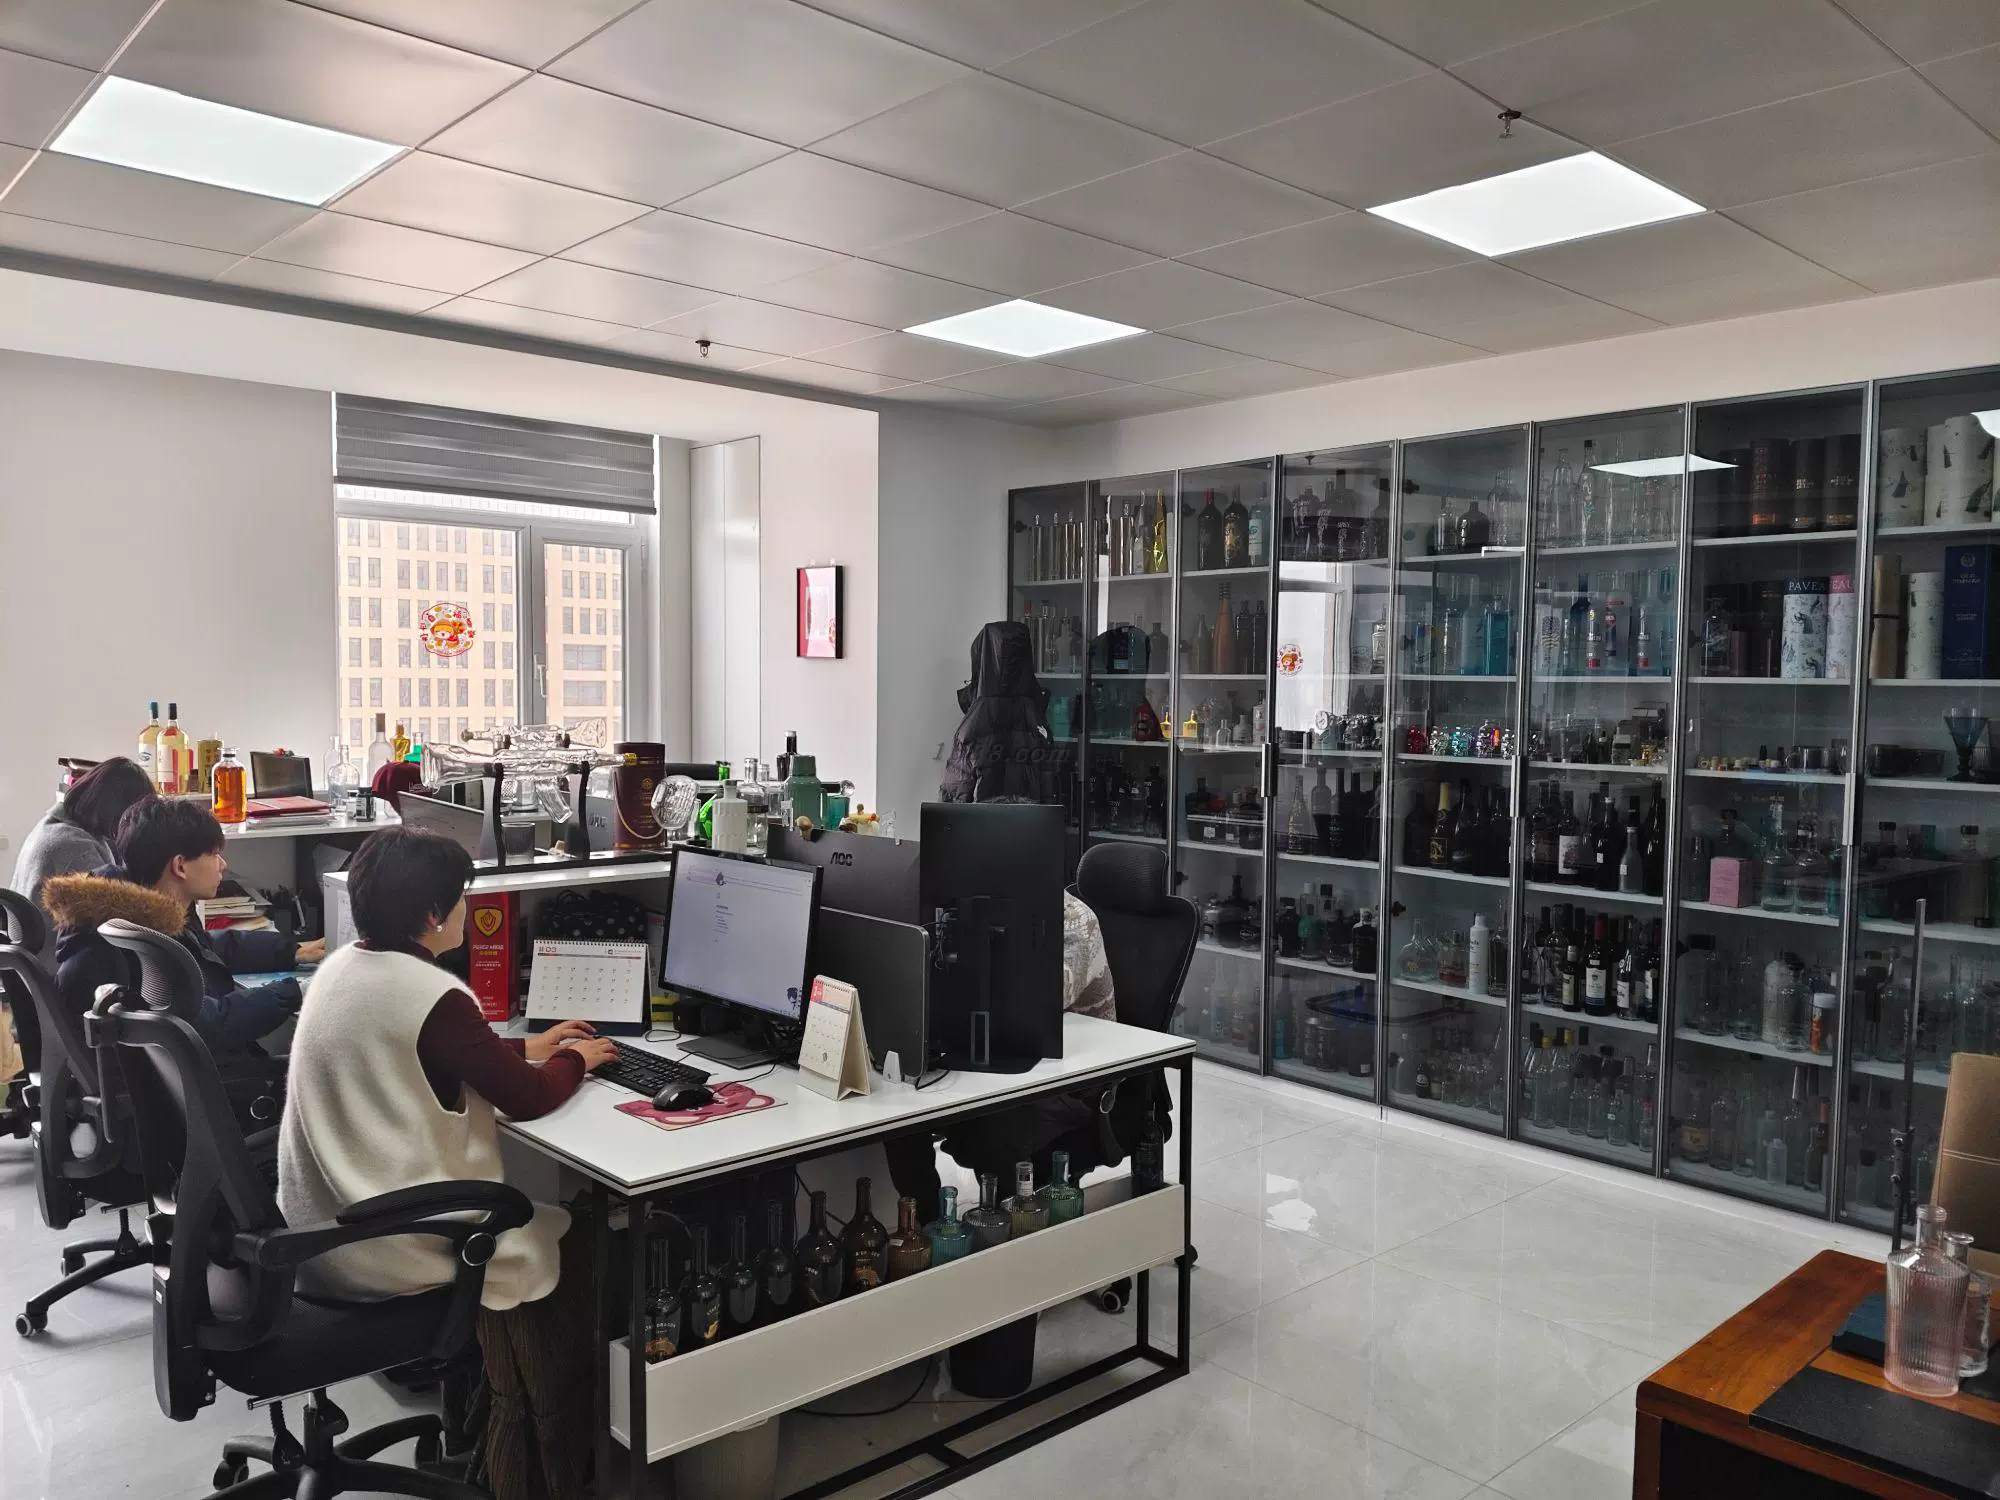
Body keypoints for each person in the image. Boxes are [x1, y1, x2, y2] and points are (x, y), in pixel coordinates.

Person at [276, 827, 616, 1500]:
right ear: (433, 914)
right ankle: (536, 1455)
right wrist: (577, 1059)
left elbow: (428, 1049)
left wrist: (527, 1046)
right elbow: (527, 1099)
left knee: (533, 1224)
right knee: (570, 1239)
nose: (467, 908)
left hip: (316, 1234)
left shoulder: (342, 969)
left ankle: (480, 1427)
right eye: (460, 897)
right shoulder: (432, 994)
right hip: (388, 1246)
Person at [43, 799, 319, 1053]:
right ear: (180, 867)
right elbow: (209, 1025)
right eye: (214, 854)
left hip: (166, 1077)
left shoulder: (137, 912)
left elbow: (205, 949)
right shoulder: (138, 945)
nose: (223, 864)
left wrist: (291, 951)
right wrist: (297, 991)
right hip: (192, 1082)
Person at [11, 757, 158, 917]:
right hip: (54, 933)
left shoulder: (50, 825)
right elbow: (112, 921)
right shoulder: (78, 849)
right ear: (118, 810)